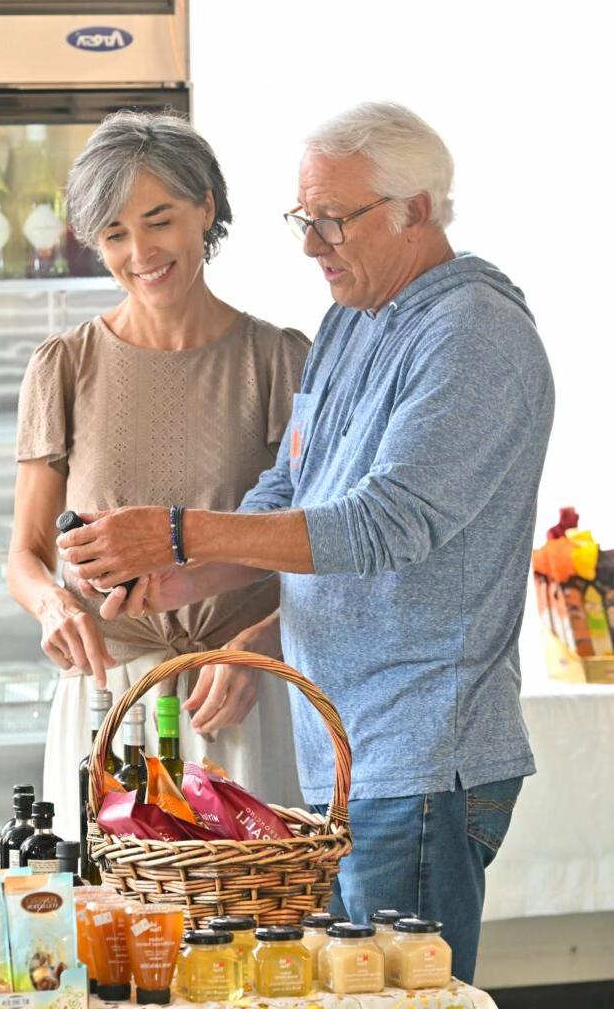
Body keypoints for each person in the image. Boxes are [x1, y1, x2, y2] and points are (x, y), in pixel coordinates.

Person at [56, 101, 555, 983]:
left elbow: (384, 522)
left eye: (332, 220)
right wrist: (182, 575)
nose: (311, 244)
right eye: (302, 220)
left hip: (422, 759)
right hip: (352, 751)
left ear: (418, 210)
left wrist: (171, 529)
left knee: (393, 998)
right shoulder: (351, 320)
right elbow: (292, 490)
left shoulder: (471, 332)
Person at [7, 110, 309, 841]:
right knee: (110, 934)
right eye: (114, 234)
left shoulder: (279, 362)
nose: (139, 251)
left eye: (159, 220)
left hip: (237, 694)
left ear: (205, 208)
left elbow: (322, 549)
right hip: (110, 698)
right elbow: (24, 554)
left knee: (247, 932)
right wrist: (54, 606)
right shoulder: (65, 365)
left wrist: (262, 647)